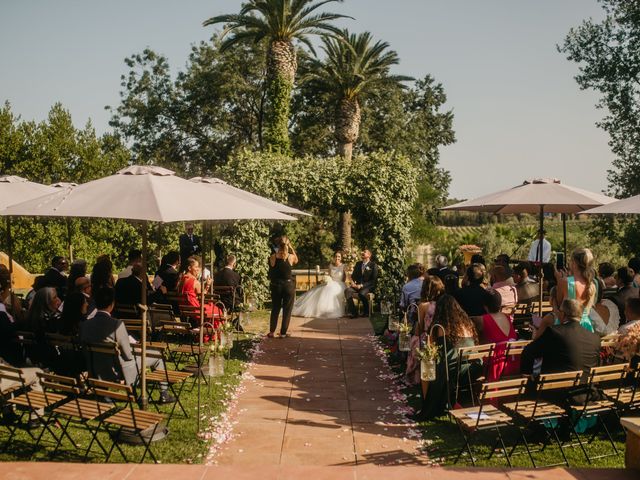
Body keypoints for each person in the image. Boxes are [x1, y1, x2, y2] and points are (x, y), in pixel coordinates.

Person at [79, 286, 174, 403]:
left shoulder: (85, 325)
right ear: (112, 304)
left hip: (95, 369)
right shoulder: (116, 324)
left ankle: (108, 393)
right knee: (157, 356)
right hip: (118, 371)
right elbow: (128, 356)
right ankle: (164, 393)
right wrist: (137, 351)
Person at [413, 294, 479, 420]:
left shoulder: (440, 327)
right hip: (473, 367)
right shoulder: (468, 324)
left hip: (454, 369)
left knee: (426, 366)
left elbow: (430, 350)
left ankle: (428, 405)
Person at [522, 299, 600, 379]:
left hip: (555, 388)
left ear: (562, 314)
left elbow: (528, 352)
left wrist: (529, 374)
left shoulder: (553, 332)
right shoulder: (595, 338)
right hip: (586, 389)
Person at [471, 289, 519, 381]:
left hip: (495, 365)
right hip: (512, 361)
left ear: (485, 306)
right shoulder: (507, 317)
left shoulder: (481, 319)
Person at [405, 275, 445, 386]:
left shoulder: (424, 306)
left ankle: (416, 376)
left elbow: (419, 329)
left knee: (414, 341)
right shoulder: (445, 303)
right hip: (441, 338)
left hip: (428, 338)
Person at [292, 251, 346, 319]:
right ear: (333, 257)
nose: (337, 258)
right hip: (330, 283)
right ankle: (320, 310)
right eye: (336, 256)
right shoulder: (331, 266)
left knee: (330, 289)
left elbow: (344, 278)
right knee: (321, 289)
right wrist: (326, 279)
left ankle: (330, 311)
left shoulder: (343, 266)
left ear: (341, 258)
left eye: (339, 257)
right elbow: (329, 275)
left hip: (339, 284)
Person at [554, 248, 596, 333]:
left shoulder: (565, 282)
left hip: (567, 327)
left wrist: (559, 280)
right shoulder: (591, 285)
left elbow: (559, 305)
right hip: (586, 326)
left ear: (574, 263)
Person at [268, 237, 298, 337]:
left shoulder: (273, 256)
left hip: (276, 286)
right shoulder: (290, 257)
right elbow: (296, 260)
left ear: (278, 245)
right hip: (288, 285)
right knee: (287, 309)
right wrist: (291, 247)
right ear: (287, 245)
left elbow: (272, 266)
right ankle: (283, 333)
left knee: (275, 308)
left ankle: (272, 332)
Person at [345, 249, 378, 318]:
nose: (362, 252)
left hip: (368, 287)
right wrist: (353, 283)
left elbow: (373, 280)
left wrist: (362, 285)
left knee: (362, 293)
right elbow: (353, 276)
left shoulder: (373, 265)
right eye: (363, 251)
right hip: (357, 286)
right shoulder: (358, 264)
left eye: (365, 252)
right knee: (347, 291)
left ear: (369, 255)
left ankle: (366, 311)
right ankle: (353, 312)